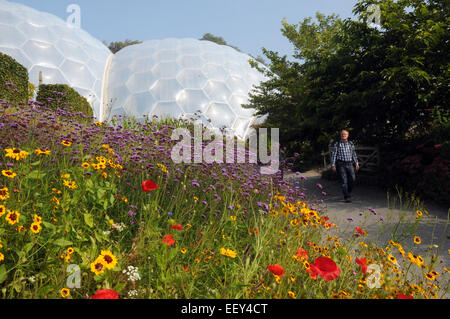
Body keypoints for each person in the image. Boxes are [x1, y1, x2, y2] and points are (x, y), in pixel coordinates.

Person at [331, 130, 360, 202]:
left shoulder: (350, 144)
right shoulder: (337, 144)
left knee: (353, 179)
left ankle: (348, 193)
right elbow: (334, 155)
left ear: (348, 135)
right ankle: (347, 197)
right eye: (342, 134)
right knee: (344, 181)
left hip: (350, 163)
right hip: (341, 164)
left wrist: (356, 163)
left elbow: (354, 154)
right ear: (340, 135)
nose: (344, 135)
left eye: (345, 134)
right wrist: (333, 165)